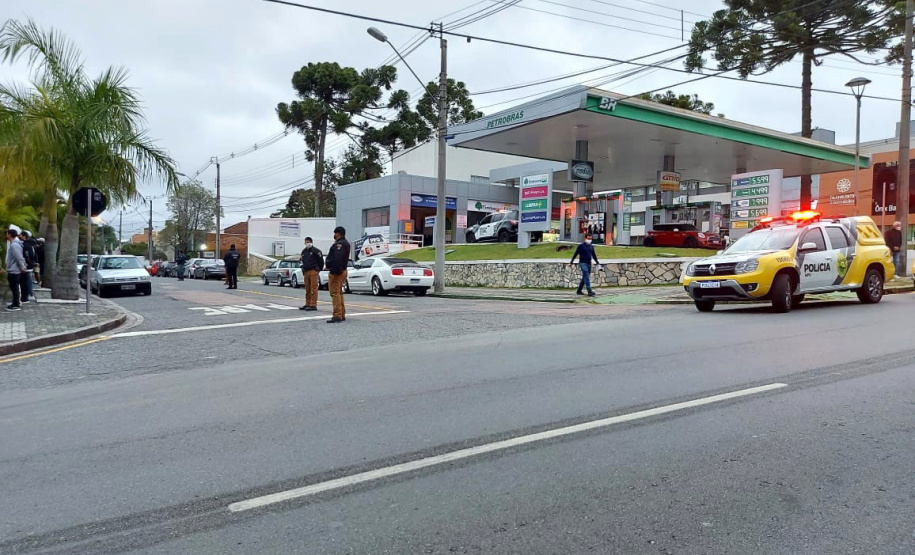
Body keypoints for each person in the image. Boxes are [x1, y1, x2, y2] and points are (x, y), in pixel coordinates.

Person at [325, 226, 351, 323]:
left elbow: (337, 258)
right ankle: (342, 313)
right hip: (343, 270)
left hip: (337, 272)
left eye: (335, 233)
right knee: (339, 293)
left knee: (335, 293)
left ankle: (337, 315)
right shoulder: (346, 243)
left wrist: (334, 270)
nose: (334, 235)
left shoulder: (339, 244)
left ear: (338, 233)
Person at [3, 225, 27, 311]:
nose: (6, 235)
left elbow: (18, 258)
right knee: (14, 287)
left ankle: (16, 304)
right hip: (13, 269)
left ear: (9, 235)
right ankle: (15, 302)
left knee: (15, 287)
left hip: (14, 270)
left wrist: (22, 268)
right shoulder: (13, 244)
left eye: (7, 233)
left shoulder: (14, 245)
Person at [569, 232, 600, 297]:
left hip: (589, 263)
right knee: (586, 274)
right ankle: (589, 291)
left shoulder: (591, 247)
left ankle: (579, 290)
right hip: (583, 263)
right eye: (588, 238)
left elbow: (593, 255)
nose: (589, 240)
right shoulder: (581, 246)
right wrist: (571, 262)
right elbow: (576, 253)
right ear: (585, 238)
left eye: (590, 239)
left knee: (585, 277)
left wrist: (597, 262)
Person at [298, 236, 323, 311]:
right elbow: (301, 261)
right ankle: (307, 303)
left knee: (314, 288)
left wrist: (318, 270)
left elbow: (321, 261)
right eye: (306, 242)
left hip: (313, 271)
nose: (307, 243)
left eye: (309, 242)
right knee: (307, 289)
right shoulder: (304, 251)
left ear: (312, 242)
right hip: (306, 271)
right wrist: (302, 268)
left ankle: (313, 304)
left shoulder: (316, 251)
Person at [20, 230, 37, 302]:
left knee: (27, 281)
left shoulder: (26, 245)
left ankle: (29, 295)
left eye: (21, 235)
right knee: (28, 280)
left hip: (27, 266)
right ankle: (29, 294)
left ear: (24, 236)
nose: (19, 236)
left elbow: (27, 255)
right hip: (30, 265)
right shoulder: (31, 245)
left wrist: (28, 262)